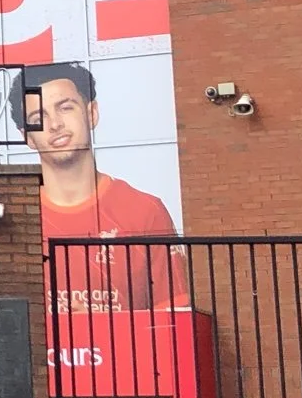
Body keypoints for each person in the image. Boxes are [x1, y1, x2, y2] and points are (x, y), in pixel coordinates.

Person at [17, 62, 183, 310]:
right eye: (38, 118)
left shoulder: (145, 210)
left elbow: (174, 314)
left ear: (91, 113)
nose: (55, 124)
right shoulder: (16, 219)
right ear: (27, 137)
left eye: (65, 108)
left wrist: (102, 326)